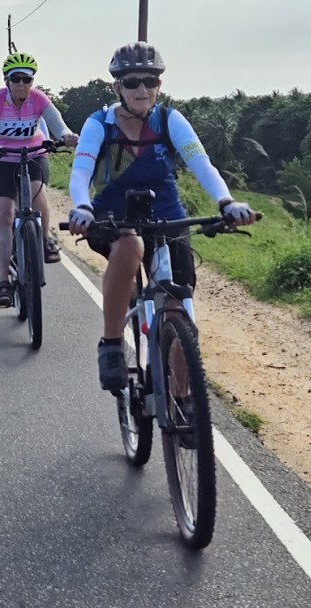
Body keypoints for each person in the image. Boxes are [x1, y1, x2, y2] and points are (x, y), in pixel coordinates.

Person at [66, 41, 257, 391]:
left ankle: (183, 405)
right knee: (129, 245)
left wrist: (226, 202)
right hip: (111, 216)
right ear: (117, 87)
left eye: (150, 81)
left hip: (167, 215)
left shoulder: (170, 120)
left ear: (159, 86)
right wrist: (81, 205)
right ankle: (111, 345)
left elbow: (202, 164)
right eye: (132, 82)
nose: (142, 89)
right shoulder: (100, 124)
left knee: (177, 307)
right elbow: (81, 172)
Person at [0, 52, 79, 309]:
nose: (21, 84)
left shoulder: (39, 99)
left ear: (32, 80)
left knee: (37, 195)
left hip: (34, 154)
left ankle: (44, 238)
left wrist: (68, 136)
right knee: (4, 215)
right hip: (3, 157)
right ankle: (4, 281)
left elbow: (58, 125)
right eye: (15, 79)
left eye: (26, 79)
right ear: (6, 80)